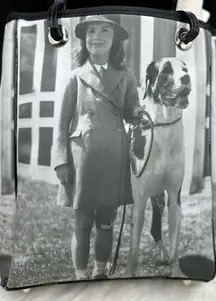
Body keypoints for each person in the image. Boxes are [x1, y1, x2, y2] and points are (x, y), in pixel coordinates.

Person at [53, 15, 144, 280]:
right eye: (91, 31)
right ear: (84, 38)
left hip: (114, 158)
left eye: (105, 30)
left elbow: (129, 111)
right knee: (82, 223)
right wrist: (61, 161)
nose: (97, 36)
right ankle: (81, 275)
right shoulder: (76, 77)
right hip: (82, 160)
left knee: (106, 220)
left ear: (115, 39)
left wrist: (137, 113)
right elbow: (61, 124)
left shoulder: (126, 77)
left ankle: (100, 272)